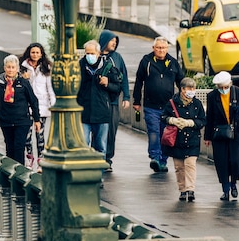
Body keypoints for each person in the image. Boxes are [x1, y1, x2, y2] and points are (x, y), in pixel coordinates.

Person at [132, 36, 184, 173]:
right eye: (158, 48)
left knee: (166, 135)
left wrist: (184, 100)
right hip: (151, 106)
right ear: (153, 48)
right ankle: (155, 157)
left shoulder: (173, 63)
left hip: (168, 108)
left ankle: (163, 161)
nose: (161, 50)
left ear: (167, 49)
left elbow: (181, 82)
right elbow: (138, 82)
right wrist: (136, 101)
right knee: (154, 132)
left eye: (163, 48)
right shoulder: (146, 61)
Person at [205, 71, 239, 201]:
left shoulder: (238, 92)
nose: (224, 90)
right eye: (221, 88)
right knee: (222, 162)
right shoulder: (212, 96)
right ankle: (225, 190)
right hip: (218, 133)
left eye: (226, 87)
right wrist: (207, 137)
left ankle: (233, 184)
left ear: (230, 84)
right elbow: (209, 117)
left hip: (235, 133)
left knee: (235, 161)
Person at [161, 77, 206, 202]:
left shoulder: (197, 104)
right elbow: (163, 116)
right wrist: (172, 120)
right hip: (177, 140)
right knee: (179, 166)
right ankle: (182, 190)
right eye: (189, 88)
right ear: (182, 89)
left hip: (192, 139)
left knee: (190, 164)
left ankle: (190, 189)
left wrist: (190, 123)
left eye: (193, 88)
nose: (191, 91)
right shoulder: (172, 103)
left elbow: (202, 120)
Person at [0, 54, 40, 164]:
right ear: (4, 68)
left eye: (13, 67)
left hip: (21, 120)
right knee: (10, 148)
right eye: (8, 67)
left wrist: (37, 119)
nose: (10, 70)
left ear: (17, 68)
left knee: (18, 147)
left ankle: (19, 173)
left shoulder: (23, 82)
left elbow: (33, 101)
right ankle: (10, 173)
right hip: (6, 120)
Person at [77, 40, 122, 157]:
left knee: (101, 146)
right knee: (83, 145)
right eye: (87, 53)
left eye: (92, 53)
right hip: (84, 113)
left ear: (98, 53)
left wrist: (108, 84)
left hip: (102, 113)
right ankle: (85, 171)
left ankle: (98, 173)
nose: (89, 56)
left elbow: (117, 87)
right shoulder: (79, 67)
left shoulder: (108, 67)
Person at [99, 30, 130, 172]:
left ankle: (107, 159)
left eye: (115, 42)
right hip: (97, 101)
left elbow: (124, 78)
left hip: (113, 102)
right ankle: (97, 157)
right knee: (98, 131)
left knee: (111, 131)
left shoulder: (117, 58)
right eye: (112, 41)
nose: (114, 43)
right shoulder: (96, 56)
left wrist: (127, 97)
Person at [20, 42, 55, 168]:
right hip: (26, 107)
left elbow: (50, 88)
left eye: (37, 53)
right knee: (27, 135)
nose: (35, 55)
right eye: (33, 52)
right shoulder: (22, 67)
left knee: (40, 135)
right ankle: (29, 158)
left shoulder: (46, 68)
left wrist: (53, 104)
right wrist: (24, 78)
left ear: (41, 54)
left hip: (42, 107)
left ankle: (41, 161)